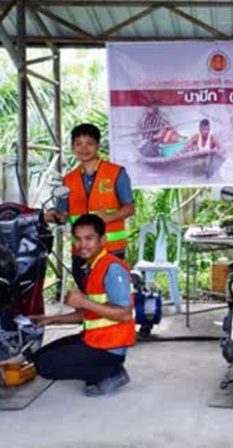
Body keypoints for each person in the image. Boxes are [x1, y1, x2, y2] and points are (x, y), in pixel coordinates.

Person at [32, 214, 136, 397]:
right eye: (78, 239)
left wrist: (84, 301)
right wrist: (51, 319)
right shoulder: (92, 267)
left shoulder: (112, 269)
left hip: (109, 347)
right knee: (39, 356)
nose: (82, 245)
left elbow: (125, 314)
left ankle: (111, 372)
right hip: (94, 339)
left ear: (102, 240)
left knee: (45, 366)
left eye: (89, 238)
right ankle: (100, 369)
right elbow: (87, 313)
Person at [45, 123, 135, 288]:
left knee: (109, 295)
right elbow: (63, 215)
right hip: (81, 250)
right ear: (72, 147)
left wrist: (109, 217)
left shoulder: (116, 173)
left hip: (110, 248)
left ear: (98, 146)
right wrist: (54, 215)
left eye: (89, 143)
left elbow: (130, 208)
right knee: (86, 293)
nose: (84, 148)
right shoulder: (68, 179)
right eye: (78, 143)